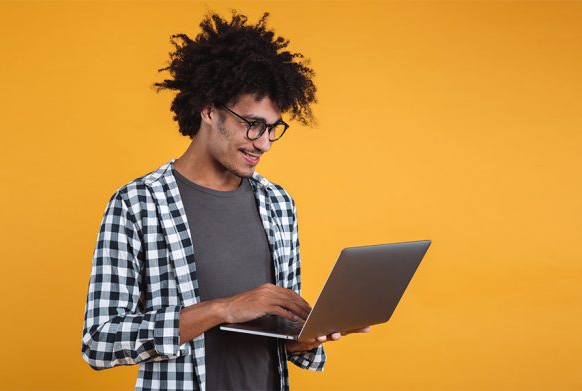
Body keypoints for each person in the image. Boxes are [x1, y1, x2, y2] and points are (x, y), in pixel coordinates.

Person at [81, 11, 369, 391]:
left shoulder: (278, 203)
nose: (263, 143)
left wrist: (310, 335)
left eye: (272, 129)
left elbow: (279, 339)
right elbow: (100, 341)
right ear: (210, 110)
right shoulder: (137, 204)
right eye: (252, 124)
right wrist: (223, 309)